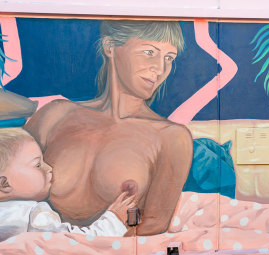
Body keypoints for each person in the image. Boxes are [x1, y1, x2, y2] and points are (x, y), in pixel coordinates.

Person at [24, 20, 193, 236]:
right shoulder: (54, 116)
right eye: (150, 52)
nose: (160, 69)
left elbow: (154, 224)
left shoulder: (171, 137)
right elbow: (10, 189)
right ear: (110, 46)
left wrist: (84, 247)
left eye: (169, 58)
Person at [0, 128, 135, 242]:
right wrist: (114, 219)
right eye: (38, 165)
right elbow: (78, 244)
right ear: (4, 184)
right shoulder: (31, 216)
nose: (49, 168)